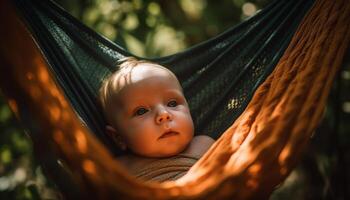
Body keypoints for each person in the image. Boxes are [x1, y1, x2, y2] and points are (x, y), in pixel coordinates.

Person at [99, 57, 214, 181]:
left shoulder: (204, 145)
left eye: (172, 103)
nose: (163, 114)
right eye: (141, 111)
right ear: (118, 138)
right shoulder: (117, 169)